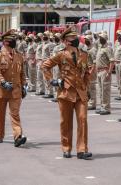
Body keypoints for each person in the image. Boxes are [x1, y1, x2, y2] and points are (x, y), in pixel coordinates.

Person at [41, 27, 92, 160]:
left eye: (76, 37)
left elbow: (87, 73)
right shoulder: (61, 54)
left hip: (81, 93)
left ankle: (82, 149)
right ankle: (66, 148)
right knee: (66, 122)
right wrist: (54, 81)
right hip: (66, 92)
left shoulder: (84, 54)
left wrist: (88, 89)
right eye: (72, 38)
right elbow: (45, 66)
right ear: (66, 41)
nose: (76, 39)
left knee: (83, 119)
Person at [0, 29, 27, 147]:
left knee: (15, 113)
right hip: (2, 89)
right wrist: (3, 82)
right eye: (12, 40)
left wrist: (24, 86)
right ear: (6, 42)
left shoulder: (19, 56)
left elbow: (22, 72)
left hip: (15, 90)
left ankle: (18, 137)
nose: (14, 41)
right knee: (0, 113)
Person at [95, 33, 114, 115]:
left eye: (101, 37)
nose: (100, 39)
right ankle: (102, 106)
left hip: (104, 71)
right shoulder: (100, 47)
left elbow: (112, 61)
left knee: (105, 91)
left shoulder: (108, 48)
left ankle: (106, 108)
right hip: (99, 71)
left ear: (105, 38)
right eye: (99, 38)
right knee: (101, 91)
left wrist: (109, 72)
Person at [84, 35, 97, 110]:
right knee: (87, 87)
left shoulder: (93, 50)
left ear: (91, 40)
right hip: (86, 70)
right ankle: (88, 101)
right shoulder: (86, 49)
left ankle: (93, 103)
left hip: (91, 69)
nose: (86, 41)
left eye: (87, 39)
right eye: (85, 39)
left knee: (92, 87)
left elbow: (95, 62)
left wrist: (91, 71)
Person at [114, 30, 121, 101]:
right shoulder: (117, 42)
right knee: (118, 79)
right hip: (116, 63)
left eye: (119, 35)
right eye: (117, 35)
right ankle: (120, 92)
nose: (118, 36)